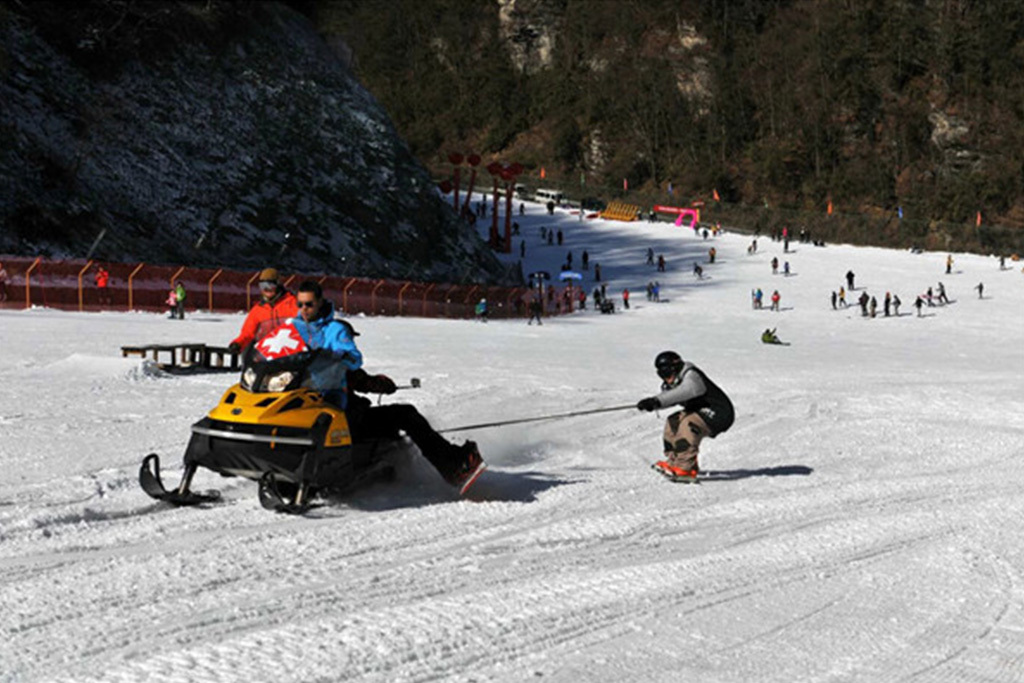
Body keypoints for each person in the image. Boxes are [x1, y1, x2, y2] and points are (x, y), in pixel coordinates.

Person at [341, 326, 482, 489]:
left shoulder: (322, 360)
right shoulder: (338, 362)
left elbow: (358, 381)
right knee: (405, 414)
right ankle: (452, 466)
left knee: (392, 423)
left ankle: (389, 469)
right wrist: (381, 384)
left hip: (338, 422)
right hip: (350, 423)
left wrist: (376, 384)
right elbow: (362, 381)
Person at [637, 351, 735, 482]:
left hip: (719, 413)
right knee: (673, 421)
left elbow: (684, 391)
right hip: (700, 410)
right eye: (662, 375)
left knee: (688, 424)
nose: (666, 378)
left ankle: (685, 468)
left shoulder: (692, 376)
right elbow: (670, 398)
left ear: (675, 368)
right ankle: (674, 461)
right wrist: (652, 404)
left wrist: (656, 401)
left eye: (667, 373)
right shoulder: (674, 382)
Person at [289, 280, 362, 409]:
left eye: (309, 304)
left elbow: (355, 359)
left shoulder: (336, 329)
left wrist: (340, 355)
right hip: (296, 387)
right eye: (300, 304)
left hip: (328, 389)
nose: (304, 309)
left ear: (320, 302)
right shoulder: (293, 327)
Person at [229, 268, 298, 353]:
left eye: (270, 285)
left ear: (278, 285)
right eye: (263, 286)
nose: (266, 289)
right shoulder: (258, 309)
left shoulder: (292, 303)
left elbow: (304, 325)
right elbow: (247, 333)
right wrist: (238, 343)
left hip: (290, 350)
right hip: (266, 352)